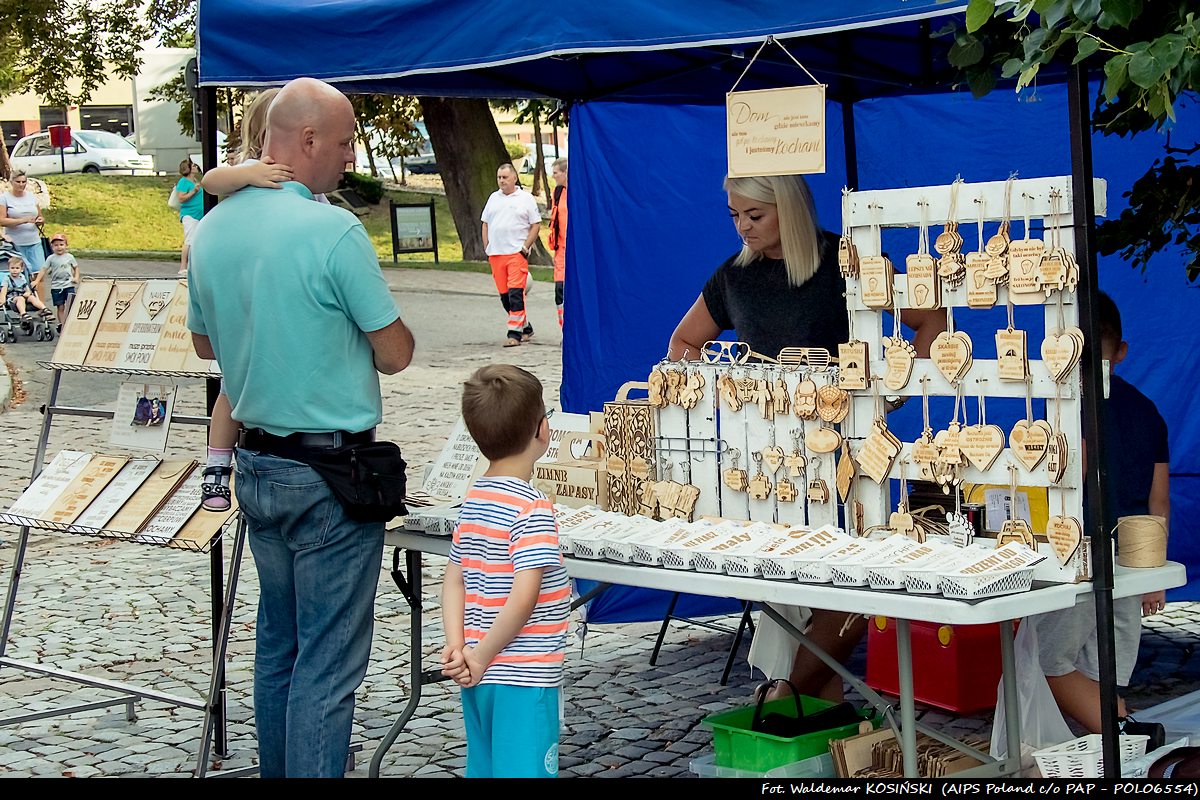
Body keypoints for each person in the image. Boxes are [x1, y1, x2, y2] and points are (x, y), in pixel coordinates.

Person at [187, 77, 415, 778]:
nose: (351, 155)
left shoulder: (212, 227)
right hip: (328, 476)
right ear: (307, 140)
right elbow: (397, 351)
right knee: (327, 661)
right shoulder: (332, 229)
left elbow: (204, 348)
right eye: (345, 142)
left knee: (280, 648)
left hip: (257, 465)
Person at [668, 173, 945, 703]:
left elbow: (930, 318)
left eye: (755, 215)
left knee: (858, 583)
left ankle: (788, 693)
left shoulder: (846, 261)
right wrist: (722, 392)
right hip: (762, 461)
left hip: (845, 458)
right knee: (787, 586)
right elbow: (683, 342)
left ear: (788, 210)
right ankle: (812, 714)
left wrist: (893, 392)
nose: (742, 227)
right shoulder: (733, 277)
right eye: (734, 215)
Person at [1031, 291, 1169, 740]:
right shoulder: (1149, 413)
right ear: (1122, 351)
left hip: (1081, 551)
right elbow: (1159, 500)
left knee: (1048, 659)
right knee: (1100, 667)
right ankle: (1120, 736)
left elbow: (1072, 480)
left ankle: (1124, 737)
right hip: (1133, 554)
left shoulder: (1070, 408)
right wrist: (1155, 573)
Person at [441, 364, 569, 778]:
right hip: (523, 673)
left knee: (486, 767)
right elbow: (524, 596)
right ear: (542, 429)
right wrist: (479, 655)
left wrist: (458, 646)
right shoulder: (531, 508)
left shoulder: (474, 498)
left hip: (480, 671)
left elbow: (454, 579)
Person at [195, 87, 293, 513]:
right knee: (231, 390)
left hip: (277, 287)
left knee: (242, 388)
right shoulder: (252, 168)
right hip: (251, 288)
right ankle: (217, 466)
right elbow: (211, 180)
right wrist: (250, 174)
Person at [481, 163, 540, 347]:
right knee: (505, 297)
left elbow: (536, 224)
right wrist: (487, 246)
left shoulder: (525, 198)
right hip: (496, 254)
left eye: (505, 177)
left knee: (516, 293)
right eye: (499, 177)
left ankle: (514, 334)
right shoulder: (493, 198)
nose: (501, 181)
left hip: (516, 252)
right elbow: (485, 223)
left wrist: (525, 246)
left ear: (514, 177)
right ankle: (526, 327)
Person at [0, 171, 46, 295]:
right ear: (11, 183)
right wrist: (22, 220)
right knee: (19, 275)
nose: (21, 185)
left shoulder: (31, 196)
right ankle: (22, 305)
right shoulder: (5, 198)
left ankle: (42, 306)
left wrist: (40, 221)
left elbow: (40, 216)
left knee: (39, 274)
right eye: (18, 182)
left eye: (24, 182)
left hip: (33, 240)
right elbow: (2, 220)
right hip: (15, 243)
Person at [38, 233, 79, 332]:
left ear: (66, 245)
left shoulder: (69, 257)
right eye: (56, 245)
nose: (59, 247)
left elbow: (76, 267)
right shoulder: (51, 258)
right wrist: (36, 280)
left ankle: (70, 322)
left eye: (61, 244)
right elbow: (43, 269)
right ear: (52, 247)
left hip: (68, 285)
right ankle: (62, 324)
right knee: (60, 306)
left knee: (71, 305)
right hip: (56, 287)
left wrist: (76, 277)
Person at [175, 159, 205, 276]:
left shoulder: (194, 181)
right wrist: (194, 191)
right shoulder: (183, 182)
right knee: (189, 240)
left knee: (196, 240)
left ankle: (193, 266)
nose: (196, 167)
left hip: (199, 215)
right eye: (193, 165)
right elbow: (181, 198)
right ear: (189, 169)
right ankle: (183, 266)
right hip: (190, 215)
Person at [548, 157, 568, 329]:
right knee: (559, 291)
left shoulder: (578, 192)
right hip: (561, 250)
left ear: (565, 173)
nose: (553, 176)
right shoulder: (558, 193)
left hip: (576, 252)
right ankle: (564, 330)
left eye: (555, 173)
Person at [1, 253, 50, 320]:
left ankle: (44, 309)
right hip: (13, 299)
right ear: (9, 269)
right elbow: (3, 290)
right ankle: (23, 314)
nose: (14, 270)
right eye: (12, 268)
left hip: (23, 295)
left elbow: (26, 288)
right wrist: (2, 300)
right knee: (20, 298)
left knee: (32, 297)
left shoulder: (22, 277)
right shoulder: (7, 278)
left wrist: (28, 292)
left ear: (21, 269)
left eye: (17, 268)